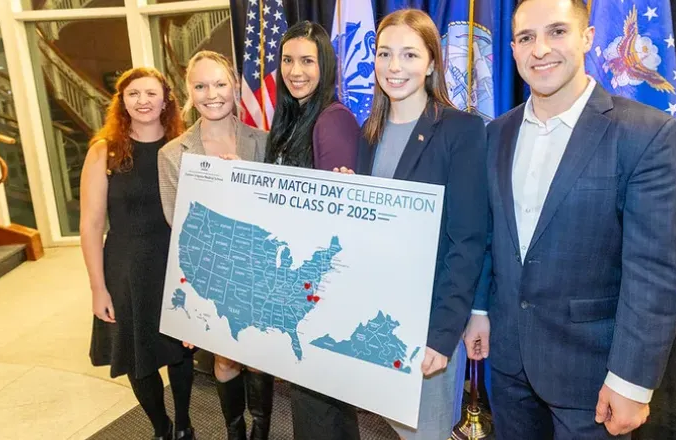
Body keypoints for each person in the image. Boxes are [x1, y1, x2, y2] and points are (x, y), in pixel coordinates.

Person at [462, 0, 676, 438]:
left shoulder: (646, 134)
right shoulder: (495, 134)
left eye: (557, 31)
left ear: (587, 37)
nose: (540, 49)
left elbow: (654, 270)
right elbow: (489, 235)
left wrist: (631, 381)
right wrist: (480, 308)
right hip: (508, 364)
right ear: (513, 49)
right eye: (526, 37)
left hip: (594, 378)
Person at [337, 9, 489, 440]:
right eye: (384, 54)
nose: (394, 66)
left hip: (429, 325)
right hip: (378, 317)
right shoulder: (369, 132)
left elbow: (468, 241)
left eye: (409, 54)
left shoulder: (461, 131)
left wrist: (442, 335)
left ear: (432, 63)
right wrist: (347, 199)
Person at [157, 50, 272, 440]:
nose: (212, 94)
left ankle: (261, 430)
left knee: (257, 357)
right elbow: (178, 224)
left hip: (257, 266)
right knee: (225, 357)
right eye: (201, 86)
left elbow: (275, 214)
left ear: (235, 86)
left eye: (220, 84)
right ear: (189, 91)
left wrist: (244, 179)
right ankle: (234, 432)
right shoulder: (172, 154)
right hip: (211, 272)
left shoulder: (262, 143)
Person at [81, 67, 195, 440]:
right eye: (133, 94)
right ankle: (161, 428)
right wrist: (98, 288)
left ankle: (184, 425)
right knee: (137, 355)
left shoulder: (183, 146)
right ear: (122, 102)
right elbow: (91, 225)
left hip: (174, 263)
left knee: (180, 351)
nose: (142, 101)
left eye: (150, 93)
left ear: (166, 101)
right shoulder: (105, 152)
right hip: (126, 268)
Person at [262, 21, 361, 440]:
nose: (295, 71)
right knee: (315, 401)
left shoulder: (331, 120)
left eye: (307, 61)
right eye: (287, 60)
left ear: (326, 66)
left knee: (318, 405)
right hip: (297, 279)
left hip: (318, 284)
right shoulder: (293, 117)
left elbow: (337, 223)